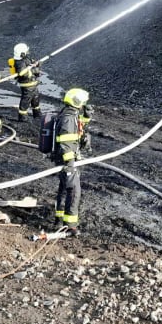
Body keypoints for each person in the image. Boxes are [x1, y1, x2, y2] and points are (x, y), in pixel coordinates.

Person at [52, 88, 93, 235]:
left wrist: (87, 117)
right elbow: (65, 141)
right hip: (66, 160)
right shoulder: (68, 118)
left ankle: (58, 219)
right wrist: (69, 163)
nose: (83, 105)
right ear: (77, 101)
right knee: (74, 190)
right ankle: (70, 225)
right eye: (83, 102)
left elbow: (79, 125)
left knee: (64, 188)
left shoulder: (70, 114)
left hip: (65, 160)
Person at [10, 43, 41, 122]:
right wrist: (30, 68)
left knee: (35, 101)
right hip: (27, 86)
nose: (28, 52)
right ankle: (23, 119)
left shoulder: (26, 59)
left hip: (33, 85)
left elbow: (33, 64)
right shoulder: (19, 62)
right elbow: (21, 73)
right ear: (22, 53)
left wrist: (37, 64)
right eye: (26, 51)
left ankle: (37, 116)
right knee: (25, 102)